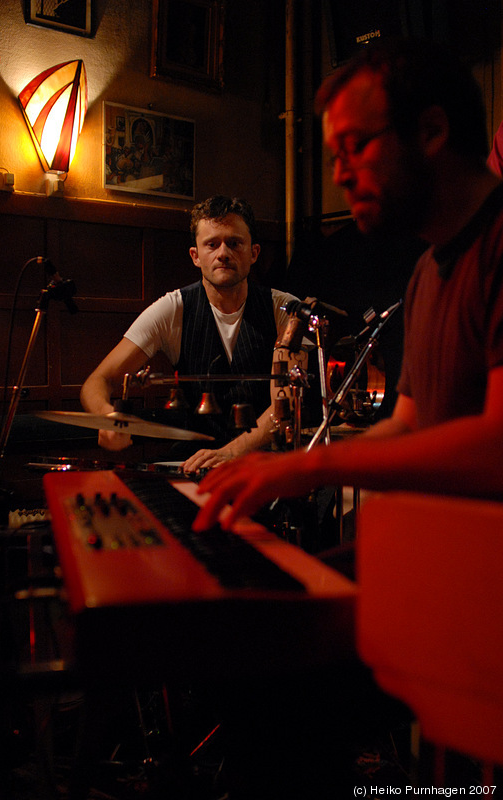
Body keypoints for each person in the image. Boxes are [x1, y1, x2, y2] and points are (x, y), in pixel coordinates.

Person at [194, 36, 503, 535]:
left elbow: (497, 447)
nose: (339, 176)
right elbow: (408, 426)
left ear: (431, 130)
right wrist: (281, 466)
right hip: (443, 558)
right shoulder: (428, 271)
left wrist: (312, 467)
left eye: (355, 148)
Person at [80, 195, 301, 473]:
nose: (223, 253)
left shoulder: (286, 311)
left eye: (234, 243)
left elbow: (288, 402)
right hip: (197, 464)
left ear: (253, 253)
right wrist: (108, 418)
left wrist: (232, 453)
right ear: (195, 256)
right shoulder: (173, 309)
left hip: (267, 463)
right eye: (212, 244)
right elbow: (97, 381)